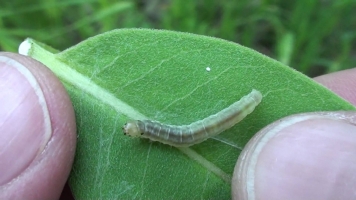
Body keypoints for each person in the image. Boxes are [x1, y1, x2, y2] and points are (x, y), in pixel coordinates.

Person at [0, 52, 355, 199]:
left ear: (143, 129)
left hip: (225, 123)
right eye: (134, 130)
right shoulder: (159, 134)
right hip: (197, 129)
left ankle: (249, 103)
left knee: (195, 132)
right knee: (191, 133)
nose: (131, 131)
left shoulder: (158, 134)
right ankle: (249, 102)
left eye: (134, 129)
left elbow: (186, 135)